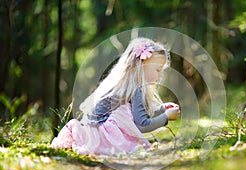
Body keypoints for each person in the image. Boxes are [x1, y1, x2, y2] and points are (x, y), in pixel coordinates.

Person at [51, 37, 180, 155]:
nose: (160, 76)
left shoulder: (125, 85)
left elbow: (140, 114)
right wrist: (166, 117)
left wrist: (162, 109)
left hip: (90, 132)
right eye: (157, 70)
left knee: (122, 112)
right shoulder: (135, 89)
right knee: (122, 114)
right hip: (103, 137)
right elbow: (142, 124)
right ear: (142, 66)